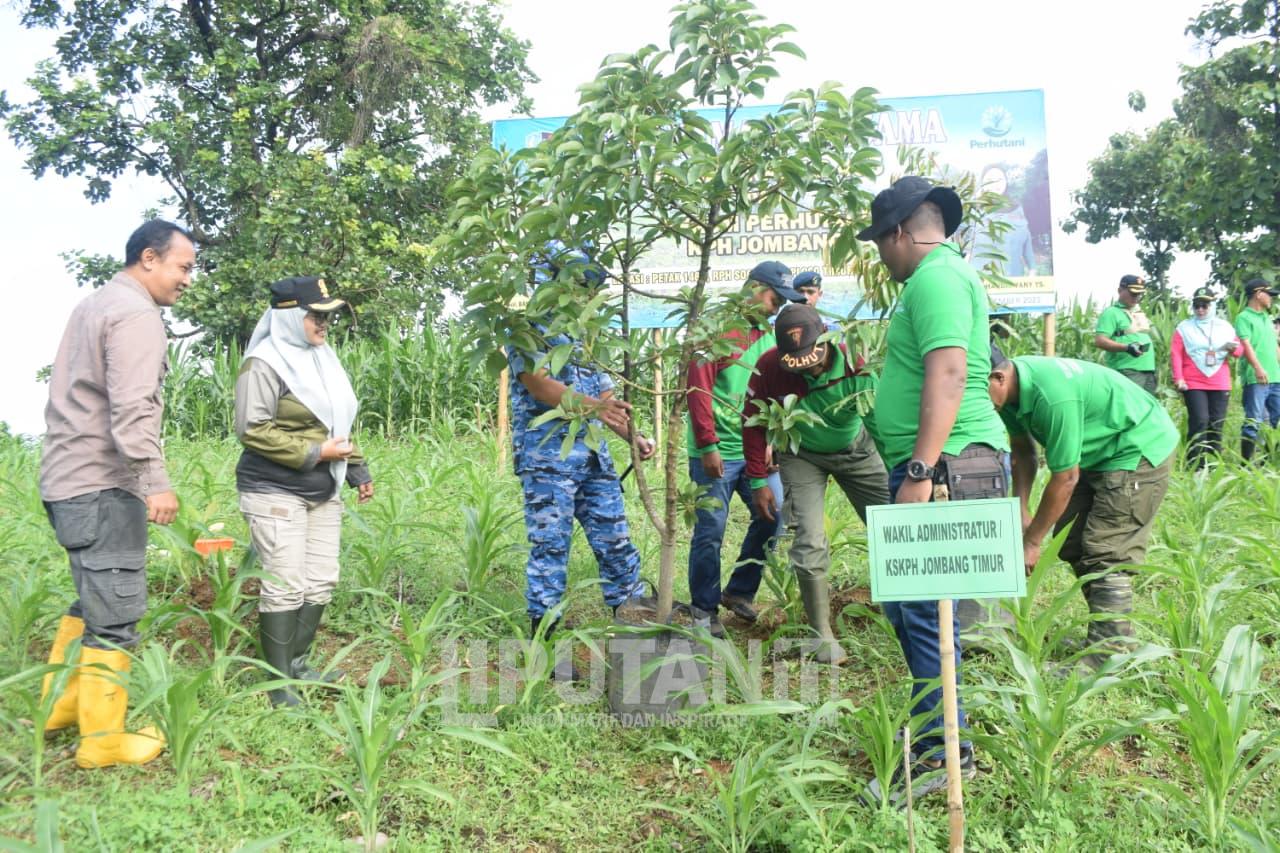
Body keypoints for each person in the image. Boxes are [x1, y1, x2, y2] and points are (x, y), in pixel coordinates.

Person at [858, 176, 1010, 801]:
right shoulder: (938, 278)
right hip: (939, 461)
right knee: (913, 608)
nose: (880, 257)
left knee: (924, 612)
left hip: (943, 465)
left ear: (899, 233)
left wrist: (919, 472)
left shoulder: (939, 278)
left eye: (879, 243)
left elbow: (948, 373)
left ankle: (943, 758)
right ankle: (944, 738)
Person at [38, 220, 195, 768]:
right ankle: (101, 744)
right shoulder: (135, 315)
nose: (187, 279)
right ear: (149, 259)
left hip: (67, 480)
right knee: (115, 617)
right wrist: (157, 483)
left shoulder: (95, 303)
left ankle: (59, 709)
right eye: (183, 266)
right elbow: (133, 412)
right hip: (103, 485)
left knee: (90, 601)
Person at [508, 243, 654, 670]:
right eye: (581, 284)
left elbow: (607, 398)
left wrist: (634, 436)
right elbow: (538, 384)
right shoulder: (528, 327)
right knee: (550, 550)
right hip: (548, 461)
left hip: (593, 461)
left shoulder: (590, 335)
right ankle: (545, 651)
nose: (588, 293)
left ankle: (632, 638)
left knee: (617, 546)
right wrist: (597, 408)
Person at [235, 277, 374, 707]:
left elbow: (336, 423)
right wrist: (318, 452)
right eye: (317, 315)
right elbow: (252, 429)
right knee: (285, 584)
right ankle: (278, 684)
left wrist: (355, 467)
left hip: (322, 488)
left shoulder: (321, 359)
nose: (325, 322)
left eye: (328, 315)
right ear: (292, 316)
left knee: (320, 579)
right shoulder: (263, 364)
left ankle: (297, 663)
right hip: (274, 489)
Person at [987, 356, 1176, 670]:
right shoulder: (1009, 394)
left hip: (1137, 449)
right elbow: (1022, 451)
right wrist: (1020, 506)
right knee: (1070, 539)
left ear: (998, 377)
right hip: (1099, 452)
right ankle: (1110, 634)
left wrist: (1031, 542)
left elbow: (1066, 477)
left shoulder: (1053, 395)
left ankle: (1107, 655)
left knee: (1106, 549)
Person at [741, 304, 888, 664]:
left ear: (825, 336)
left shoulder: (856, 359)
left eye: (813, 358)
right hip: (802, 454)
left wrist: (901, 468)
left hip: (858, 449)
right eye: (798, 361)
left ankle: (901, 611)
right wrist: (758, 478)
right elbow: (754, 423)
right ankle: (822, 635)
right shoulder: (769, 368)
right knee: (807, 539)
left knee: (893, 525)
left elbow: (882, 418)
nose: (808, 367)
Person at [685, 261, 799, 636]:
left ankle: (739, 590)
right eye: (773, 297)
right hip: (716, 452)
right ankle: (703, 608)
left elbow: (776, 394)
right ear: (752, 287)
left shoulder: (769, 337)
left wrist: (772, 442)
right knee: (710, 530)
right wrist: (708, 444)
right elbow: (698, 387)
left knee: (774, 515)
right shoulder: (715, 330)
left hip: (755, 455)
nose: (776, 306)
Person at [1170, 287, 1248, 467]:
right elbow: (1176, 354)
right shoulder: (1184, 328)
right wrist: (1179, 378)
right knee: (1199, 420)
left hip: (1219, 381)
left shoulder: (1225, 327)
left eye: (1204, 305)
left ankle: (1213, 463)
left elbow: (1239, 352)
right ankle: (1196, 464)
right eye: (1196, 306)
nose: (1200, 310)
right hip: (1193, 381)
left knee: (1216, 422)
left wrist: (1233, 348)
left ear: (1212, 305)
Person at [1233, 278, 1280, 461]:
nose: (1271, 299)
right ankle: (1246, 463)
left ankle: (1270, 459)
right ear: (1258, 294)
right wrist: (1258, 368)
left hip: (1275, 376)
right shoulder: (1243, 318)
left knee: (1276, 418)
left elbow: (1274, 346)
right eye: (1269, 295)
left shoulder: (1267, 319)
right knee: (1254, 420)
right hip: (1256, 378)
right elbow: (1246, 345)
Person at [1094, 275, 1157, 394]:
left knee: (1146, 409)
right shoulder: (1111, 313)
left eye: (1139, 294)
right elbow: (1100, 340)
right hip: (1127, 370)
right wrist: (1127, 348)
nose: (1136, 297)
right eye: (1133, 293)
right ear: (1120, 291)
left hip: (1148, 370)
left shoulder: (1138, 312)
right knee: (1130, 408)